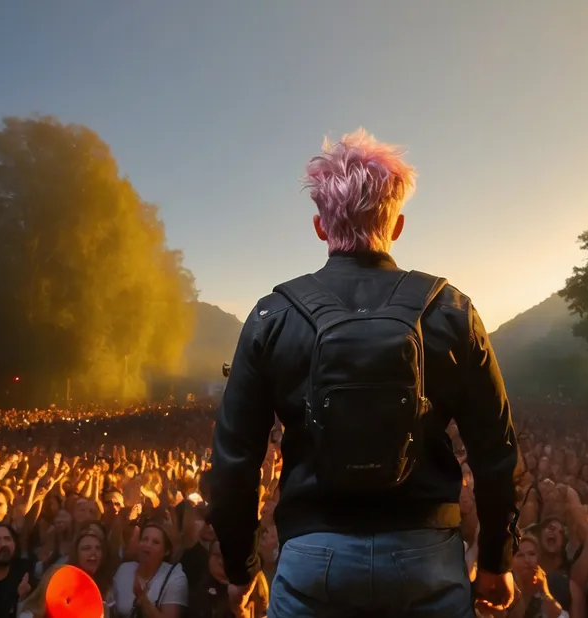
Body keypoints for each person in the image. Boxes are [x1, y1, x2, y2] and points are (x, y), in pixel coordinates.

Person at [208, 128, 520, 617]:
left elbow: (233, 461)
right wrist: (498, 559)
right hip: (427, 557)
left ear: (319, 226)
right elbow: (496, 452)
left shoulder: (273, 316)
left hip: (313, 555)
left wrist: (240, 569)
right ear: (396, 226)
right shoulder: (451, 311)